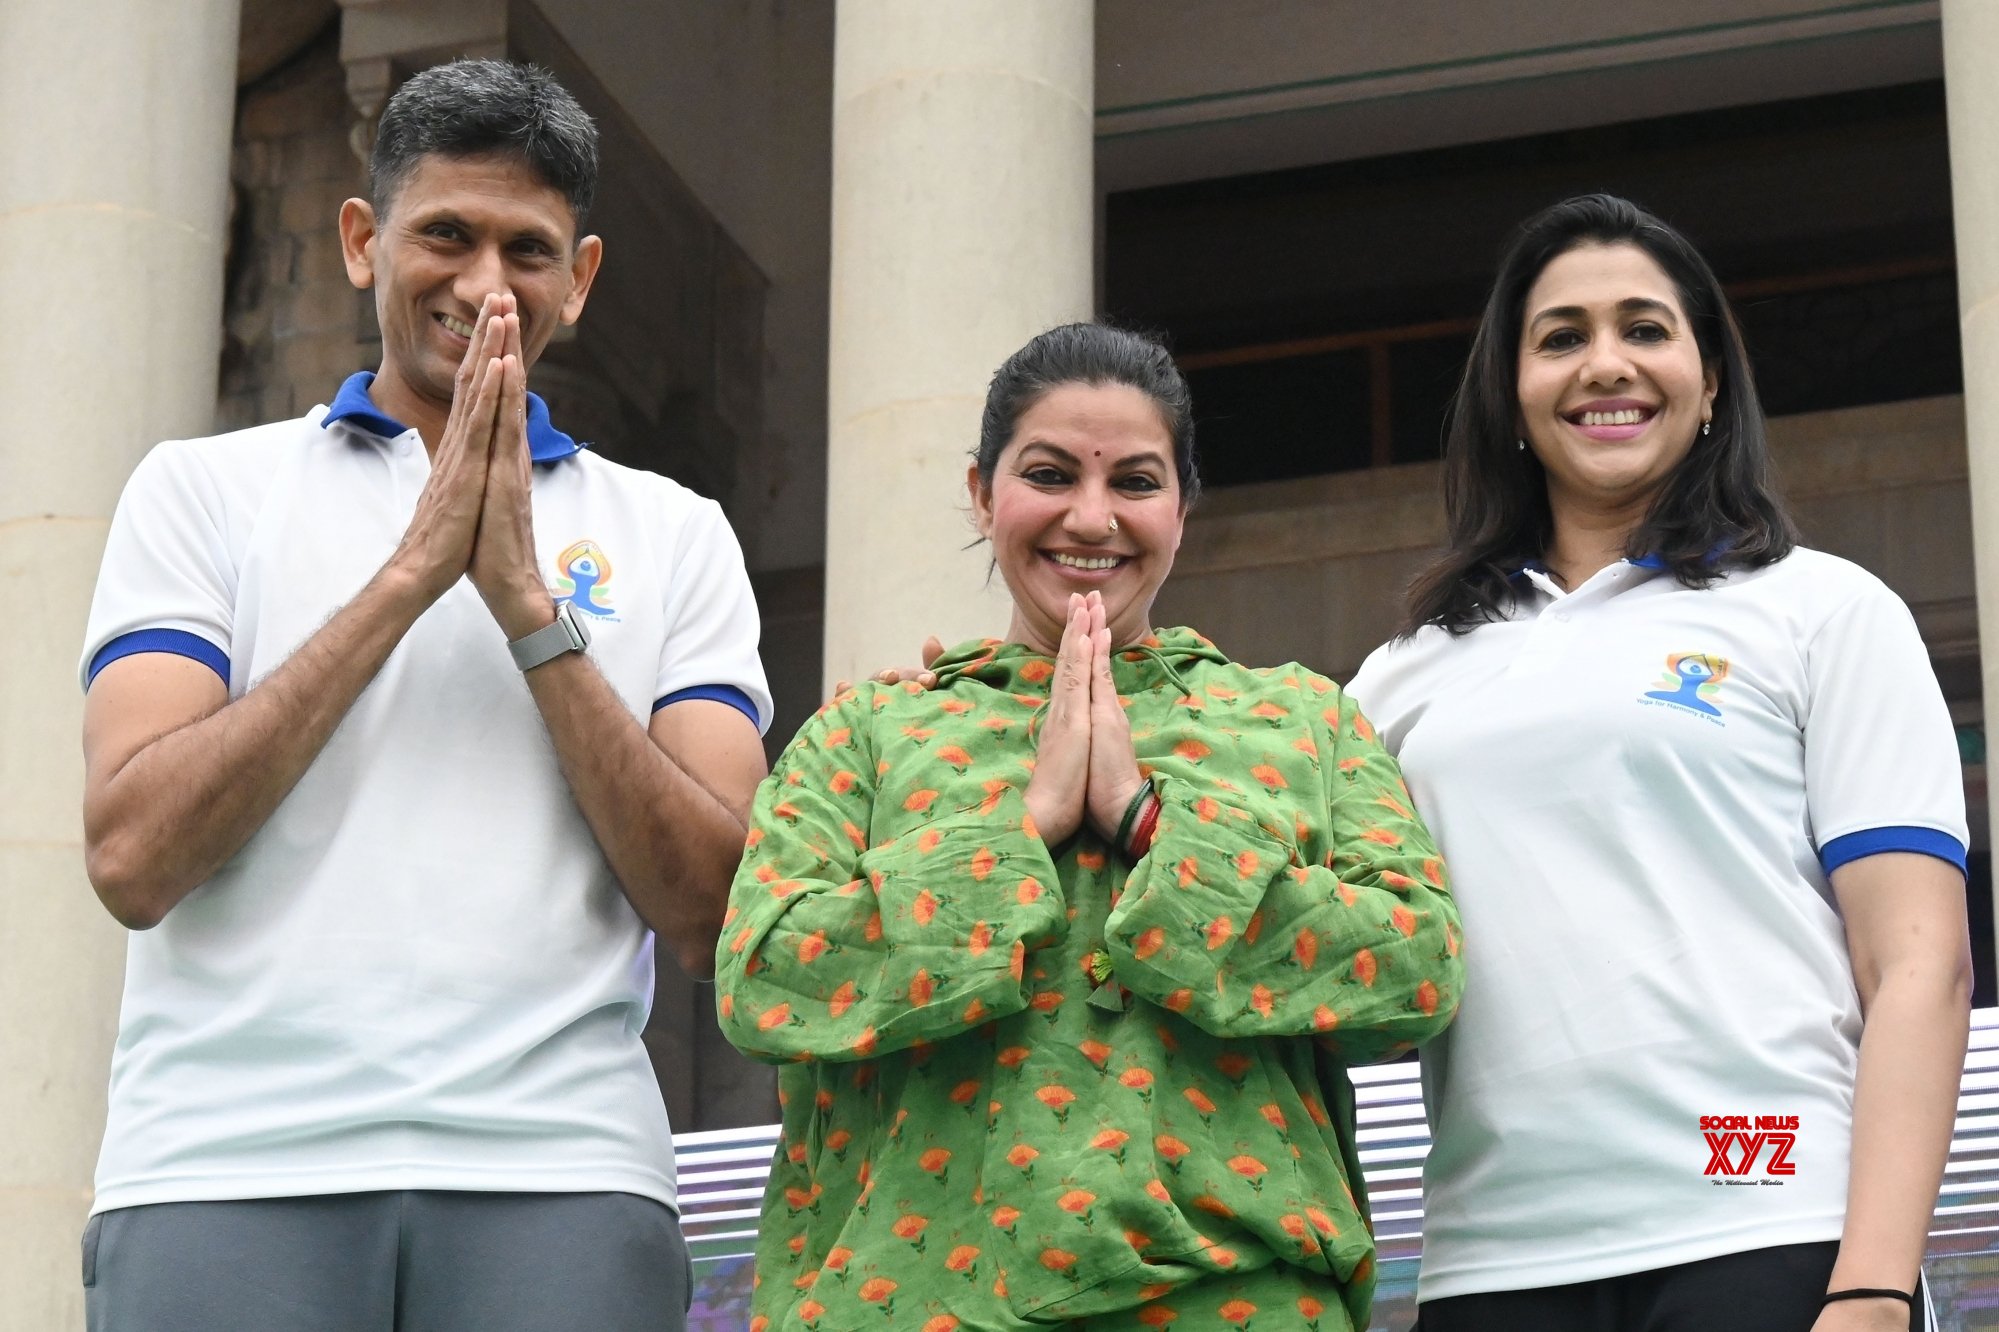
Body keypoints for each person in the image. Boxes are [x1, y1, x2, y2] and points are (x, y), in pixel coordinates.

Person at [75, 59, 771, 1332]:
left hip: (559, 1175)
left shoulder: (677, 536)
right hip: (226, 1165)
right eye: (444, 234)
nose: (484, 284)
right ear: (361, 242)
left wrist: (525, 610)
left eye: (529, 248)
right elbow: (131, 854)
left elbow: (713, 908)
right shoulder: (200, 492)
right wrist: (408, 577)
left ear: (585, 277)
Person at [715, 322, 1464, 1331]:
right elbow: (762, 975)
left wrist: (1148, 819)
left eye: (1137, 482)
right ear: (983, 495)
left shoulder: (1303, 722)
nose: (1091, 516)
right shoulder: (867, 733)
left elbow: (1418, 966)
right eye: (1050, 473)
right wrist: (1019, 830)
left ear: (1184, 509)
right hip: (909, 1298)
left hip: (1237, 1303)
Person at [1345, 194, 1970, 1332]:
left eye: (1644, 328)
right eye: (1560, 337)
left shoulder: (1824, 612)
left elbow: (1918, 966)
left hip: (1773, 1229)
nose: (1605, 365)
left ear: (1710, 377)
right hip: (1489, 1271)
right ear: (1510, 393)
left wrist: (1874, 1287)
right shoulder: (1393, 680)